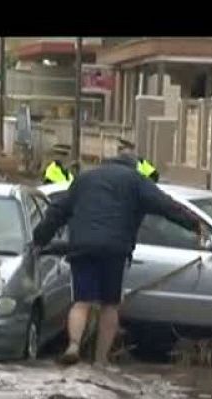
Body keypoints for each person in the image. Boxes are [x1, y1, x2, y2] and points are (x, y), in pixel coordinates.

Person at [32, 153, 202, 366]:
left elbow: (57, 211)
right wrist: (193, 224)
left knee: (81, 301)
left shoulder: (85, 179)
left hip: (83, 247)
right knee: (109, 304)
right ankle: (101, 359)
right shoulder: (136, 180)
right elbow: (166, 205)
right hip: (115, 249)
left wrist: (39, 239)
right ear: (133, 166)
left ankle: (73, 345)